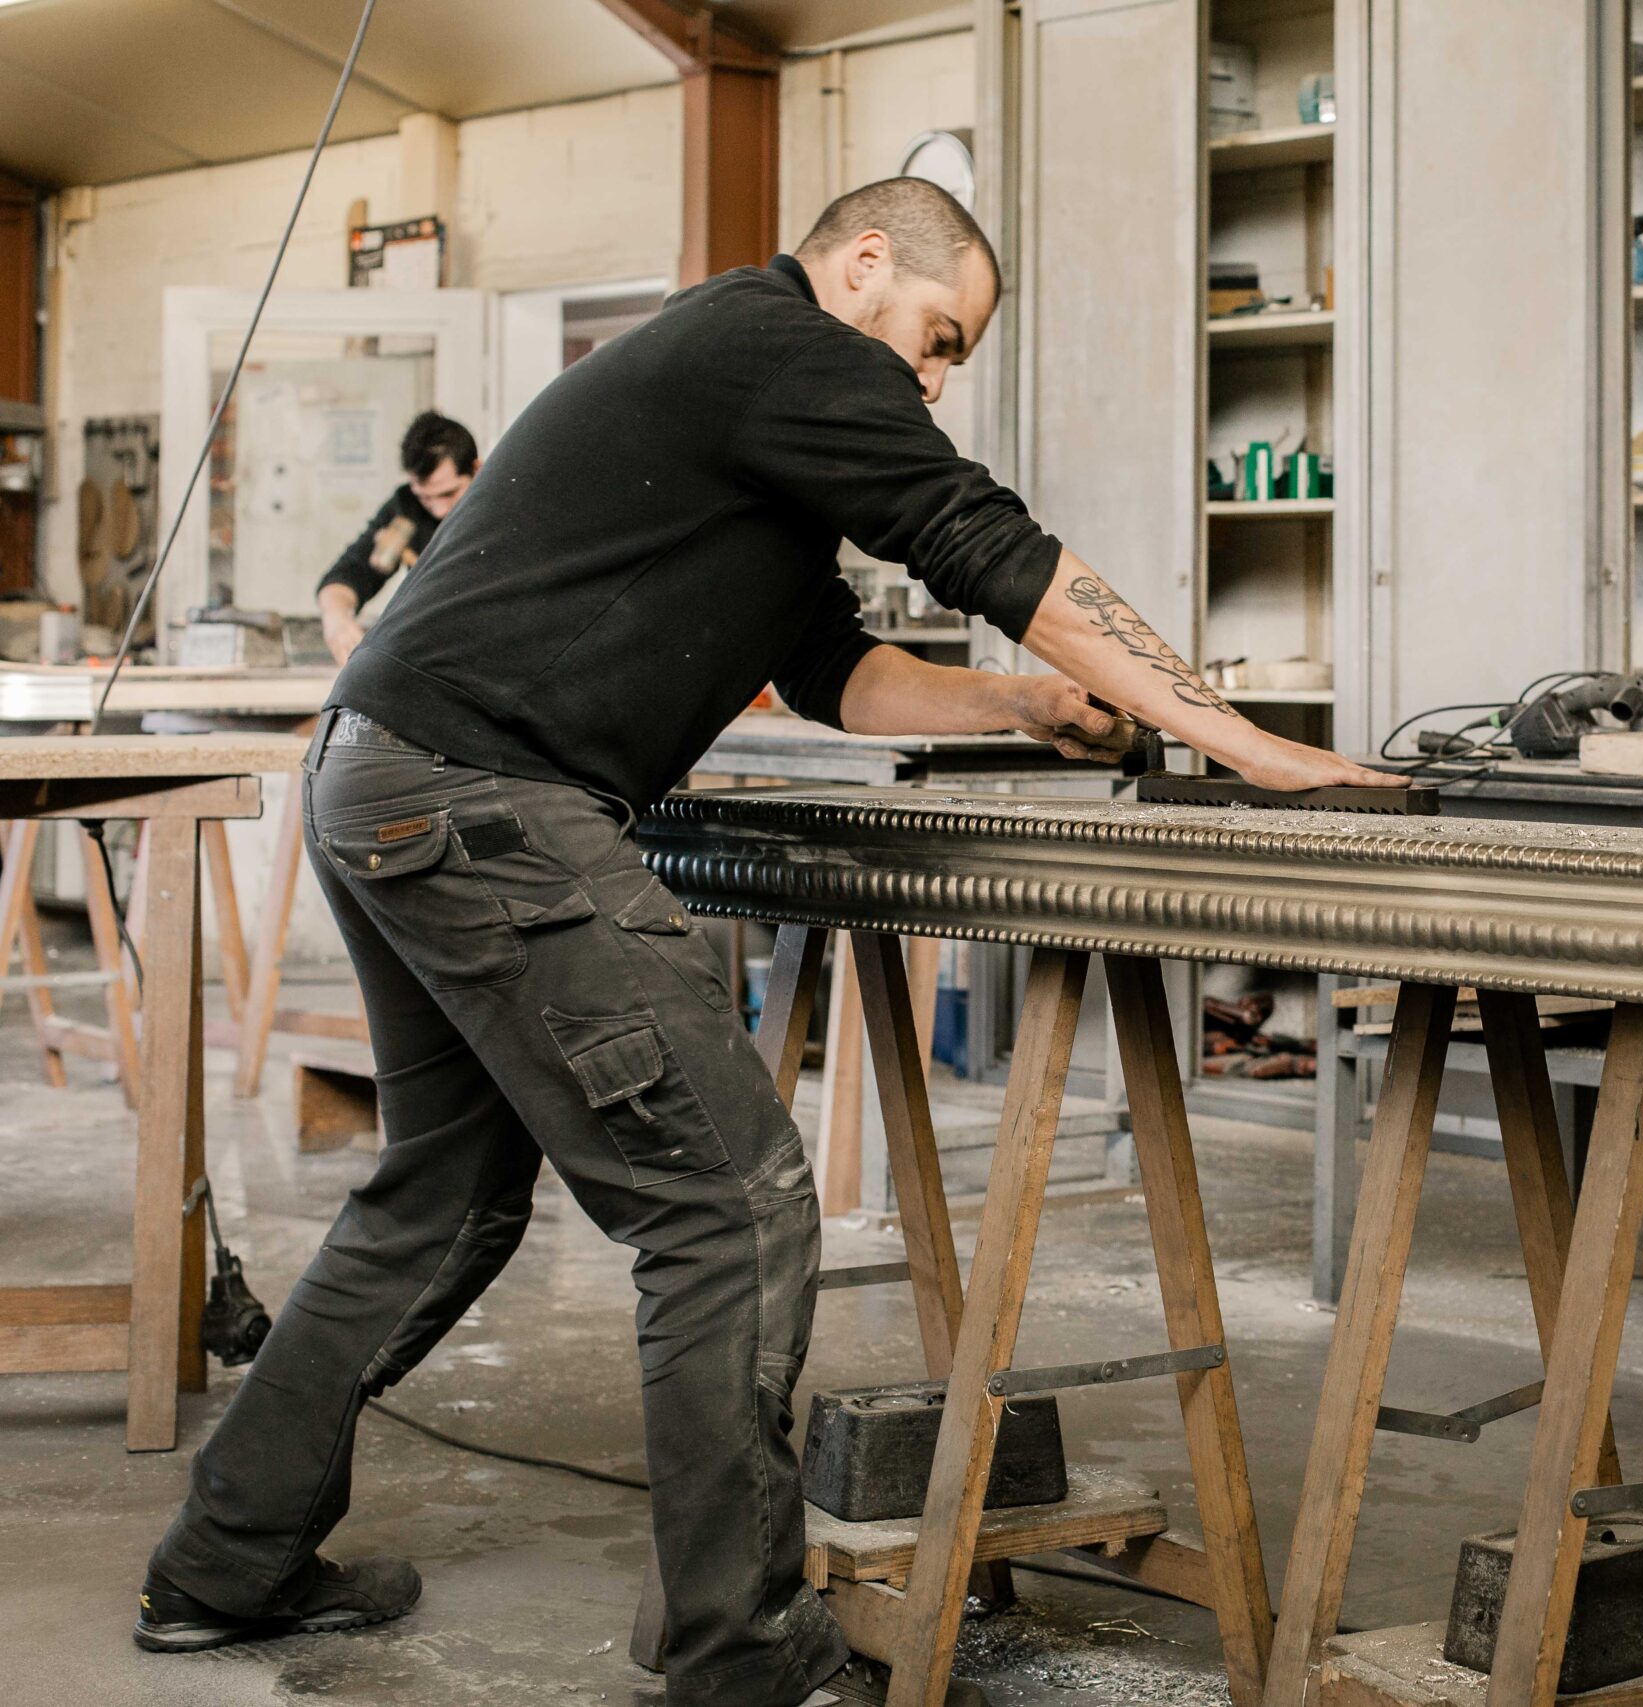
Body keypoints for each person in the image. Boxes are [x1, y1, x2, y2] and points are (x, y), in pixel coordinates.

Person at [134, 177, 1392, 1707]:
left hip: (392, 775)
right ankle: (743, 1656)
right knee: (728, 1202)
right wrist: (1243, 737)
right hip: (479, 792)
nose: (927, 380)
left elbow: (829, 674)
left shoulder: (743, 400)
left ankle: (223, 1561)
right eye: (937, 336)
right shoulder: (779, 345)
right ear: (866, 263)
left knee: (448, 1194)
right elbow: (987, 542)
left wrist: (1020, 700)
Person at [316, 411, 479, 665]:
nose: (438, 509)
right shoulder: (407, 507)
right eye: (425, 496)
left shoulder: (500, 510)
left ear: (477, 470)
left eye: (448, 493)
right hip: (436, 660)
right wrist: (336, 617)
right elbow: (349, 572)